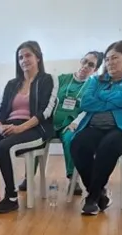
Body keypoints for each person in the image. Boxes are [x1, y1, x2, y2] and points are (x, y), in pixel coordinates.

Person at [0, 41, 57, 213]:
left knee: (4, 147)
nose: (24, 60)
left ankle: (11, 197)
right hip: (9, 126)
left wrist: (20, 128)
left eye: (28, 55)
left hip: (34, 128)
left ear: (38, 57)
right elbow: (1, 111)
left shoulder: (47, 80)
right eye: (20, 57)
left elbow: (45, 112)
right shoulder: (12, 84)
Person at [71, 40, 122, 216]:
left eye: (114, 58)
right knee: (77, 144)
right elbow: (86, 102)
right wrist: (120, 100)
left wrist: (104, 96)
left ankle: (92, 198)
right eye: (107, 60)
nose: (109, 63)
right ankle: (100, 193)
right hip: (96, 126)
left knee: (108, 146)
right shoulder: (96, 80)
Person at [39, 50, 104, 196]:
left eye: (91, 65)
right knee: (37, 138)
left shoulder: (92, 85)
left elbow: (89, 109)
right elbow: (47, 101)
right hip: (51, 121)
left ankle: (72, 180)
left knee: (70, 140)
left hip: (71, 124)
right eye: (84, 61)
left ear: (95, 69)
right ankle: (28, 176)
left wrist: (75, 122)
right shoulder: (61, 79)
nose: (85, 66)